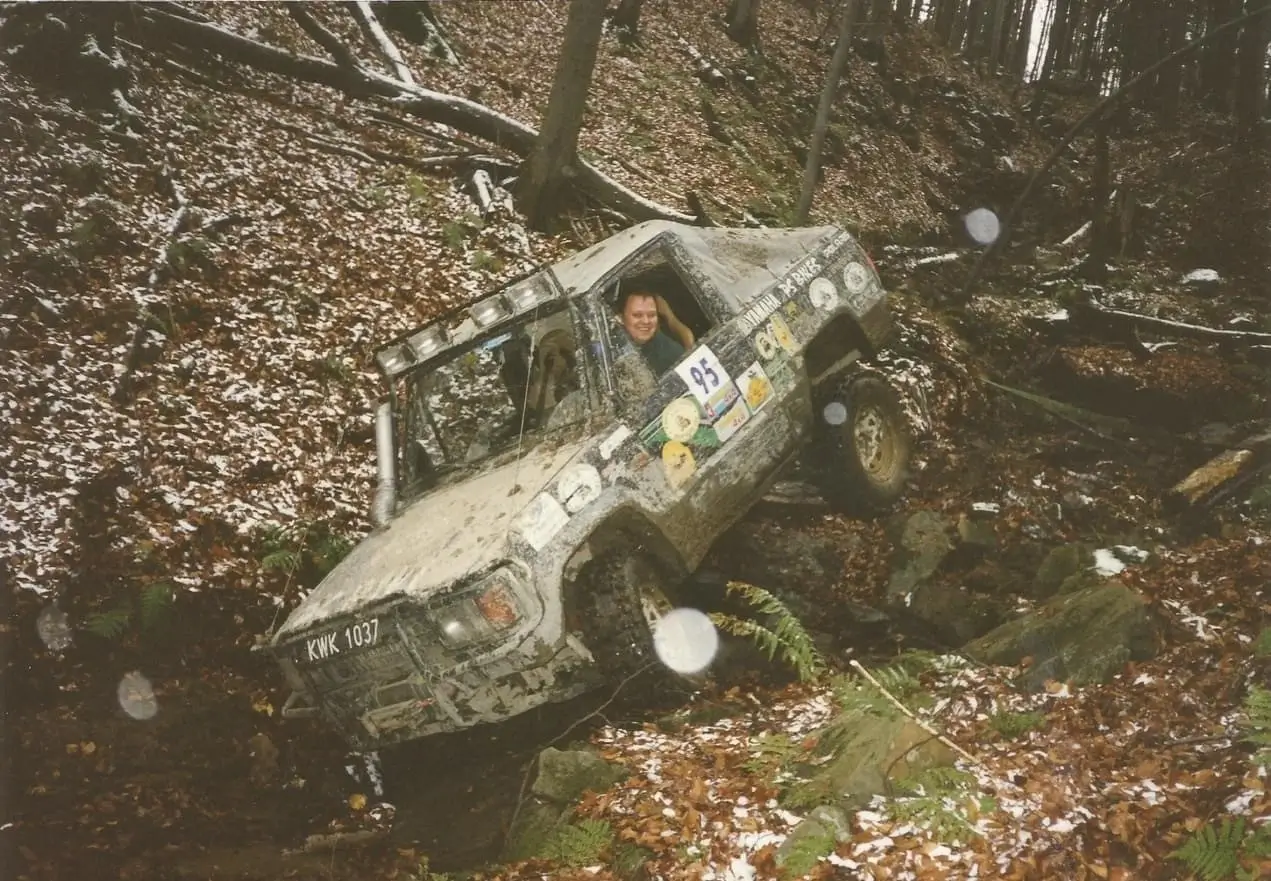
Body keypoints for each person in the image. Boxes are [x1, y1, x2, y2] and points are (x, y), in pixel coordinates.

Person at [618, 289, 691, 375]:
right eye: (637, 315)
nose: (646, 321)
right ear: (621, 318)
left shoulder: (672, 355)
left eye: (651, 315)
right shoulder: (608, 345)